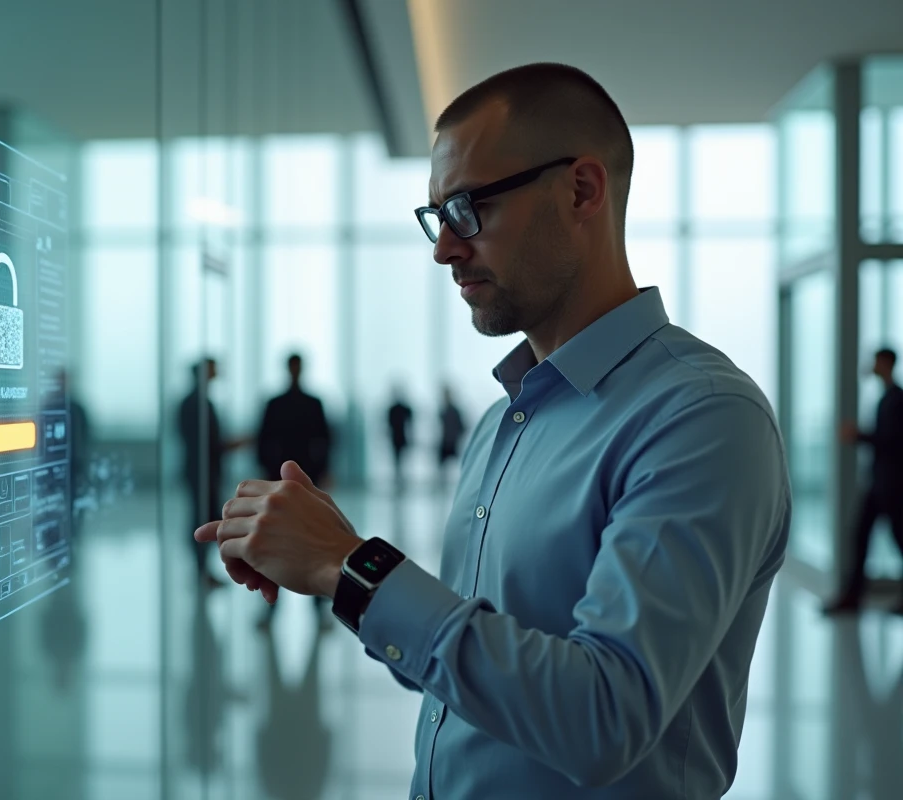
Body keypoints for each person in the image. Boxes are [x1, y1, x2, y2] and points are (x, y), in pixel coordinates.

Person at [196, 63, 790, 799]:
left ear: (581, 190)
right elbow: (473, 678)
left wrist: (351, 567)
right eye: (436, 216)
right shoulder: (503, 421)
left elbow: (602, 718)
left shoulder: (699, 417)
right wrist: (334, 570)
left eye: (468, 210)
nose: (444, 248)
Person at [823, 347, 903, 614]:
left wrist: (859, 435)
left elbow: (893, 441)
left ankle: (853, 597)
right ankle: (852, 596)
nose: (873, 366)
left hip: (891, 483)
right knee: (861, 535)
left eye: (877, 362)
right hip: (881, 481)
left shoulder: (897, 399)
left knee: (895, 536)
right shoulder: (887, 398)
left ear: (886, 363)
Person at [256, 353, 331, 627]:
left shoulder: (309, 403)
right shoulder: (278, 403)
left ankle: (318, 606)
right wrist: (269, 473)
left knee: (312, 538)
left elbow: (325, 438)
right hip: (281, 477)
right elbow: (263, 440)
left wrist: (322, 472)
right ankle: (271, 605)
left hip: (306, 478)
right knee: (278, 539)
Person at [178, 357, 244, 591]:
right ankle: (201, 571)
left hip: (203, 471)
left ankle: (202, 571)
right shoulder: (195, 403)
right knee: (202, 519)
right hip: (201, 472)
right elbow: (206, 444)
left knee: (203, 517)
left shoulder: (196, 402)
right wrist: (232, 445)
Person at [436, 384, 466, 484]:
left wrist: (455, 436)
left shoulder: (454, 410)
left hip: (452, 441)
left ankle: (458, 482)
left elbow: (462, 426)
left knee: (456, 465)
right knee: (442, 466)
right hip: (444, 441)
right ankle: (443, 483)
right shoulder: (443, 410)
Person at [387, 388, 413, 487]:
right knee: (397, 460)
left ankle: (401, 478)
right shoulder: (396, 409)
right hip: (397, 437)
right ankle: (399, 478)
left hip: (400, 437)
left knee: (401, 459)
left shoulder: (395, 409)